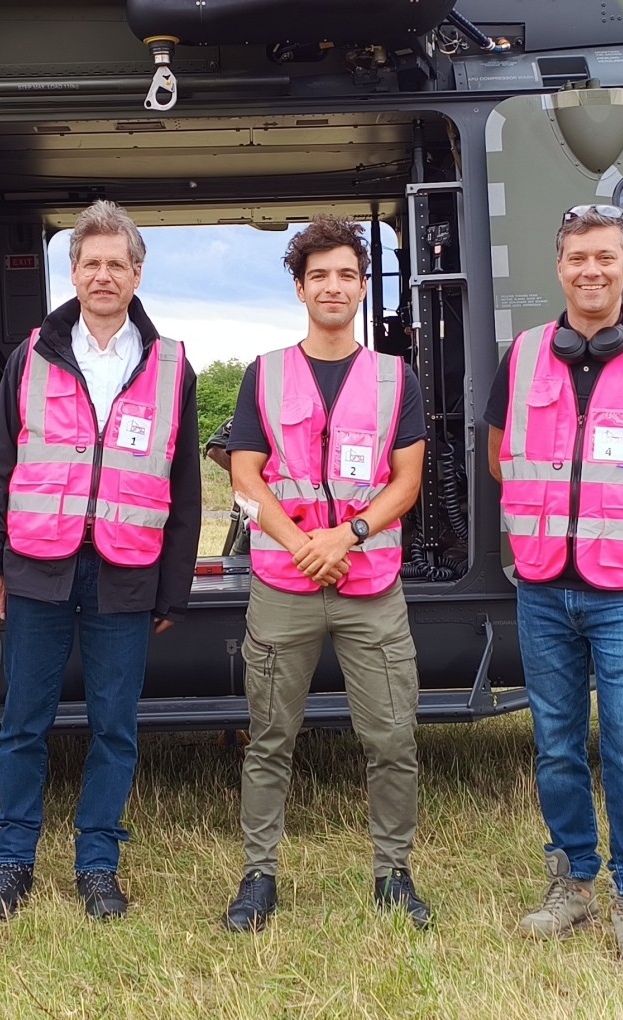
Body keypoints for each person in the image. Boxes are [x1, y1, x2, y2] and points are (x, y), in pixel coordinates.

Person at [0, 200, 201, 921]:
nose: (103, 275)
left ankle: (97, 864)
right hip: (37, 569)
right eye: (90, 263)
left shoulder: (171, 365)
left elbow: (184, 485)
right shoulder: (30, 356)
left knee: (115, 726)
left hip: (125, 574)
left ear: (138, 274)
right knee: (24, 722)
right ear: (71, 272)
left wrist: (173, 591)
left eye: (117, 263)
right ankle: (13, 863)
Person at [223, 215, 428, 932]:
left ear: (361, 285)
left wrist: (350, 533)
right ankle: (259, 878)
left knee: (391, 736)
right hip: (285, 584)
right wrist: (304, 542)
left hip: (370, 585)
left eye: (346, 274)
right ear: (300, 288)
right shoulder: (266, 374)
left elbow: (407, 483)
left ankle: (393, 875)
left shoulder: (395, 377)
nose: (333, 287)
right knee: (270, 736)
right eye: (320, 276)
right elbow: (244, 475)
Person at [485, 204, 623, 967]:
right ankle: (572, 883)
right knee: (557, 746)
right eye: (576, 259)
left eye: (605, 258)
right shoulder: (524, 354)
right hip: (542, 586)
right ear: (558, 268)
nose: (590, 270)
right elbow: (500, 456)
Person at [204, 417, 250, 555]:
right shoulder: (255, 412)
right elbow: (215, 449)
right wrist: (255, 478)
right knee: (241, 572)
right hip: (256, 518)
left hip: (311, 521)